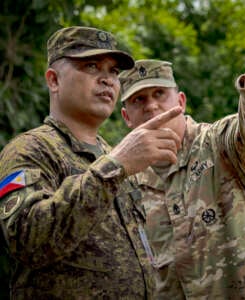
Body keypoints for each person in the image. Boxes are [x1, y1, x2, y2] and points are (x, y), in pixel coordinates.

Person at [119, 33, 245, 299]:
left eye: (159, 93)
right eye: (138, 100)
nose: (152, 105)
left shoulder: (218, 143)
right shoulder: (125, 181)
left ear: (181, 101)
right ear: (127, 117)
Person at [0, 26, 185, 298]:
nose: (107, 79)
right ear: (53, 80)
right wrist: (114, 167)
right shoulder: (30, 150)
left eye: (113, 71)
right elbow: (27, 240)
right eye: (91, 66)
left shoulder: (115, 154)